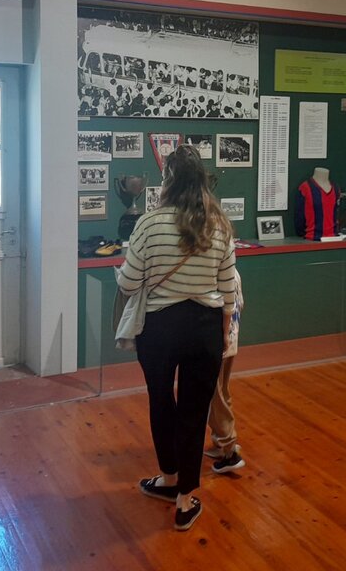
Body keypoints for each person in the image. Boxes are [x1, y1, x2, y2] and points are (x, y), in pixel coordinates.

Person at [115, 144, 236, 531]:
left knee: (161, 401)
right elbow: (228, 288)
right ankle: (185, 500)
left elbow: (129, 283)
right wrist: (223, 332)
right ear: (203, 179)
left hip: (160, 327)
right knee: (194, 411)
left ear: (167, 179)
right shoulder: (219, 224)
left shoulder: (149, 224)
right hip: (205, 326)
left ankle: (168, 478)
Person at [205, 269, 246, 473]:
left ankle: (230, 450)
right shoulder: (233, 272)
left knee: (216, 396)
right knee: (221, 391)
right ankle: (221, 443)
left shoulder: (216, 274)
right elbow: (241, 304)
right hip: (229, 340)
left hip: (218, 344)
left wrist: (222, 336)